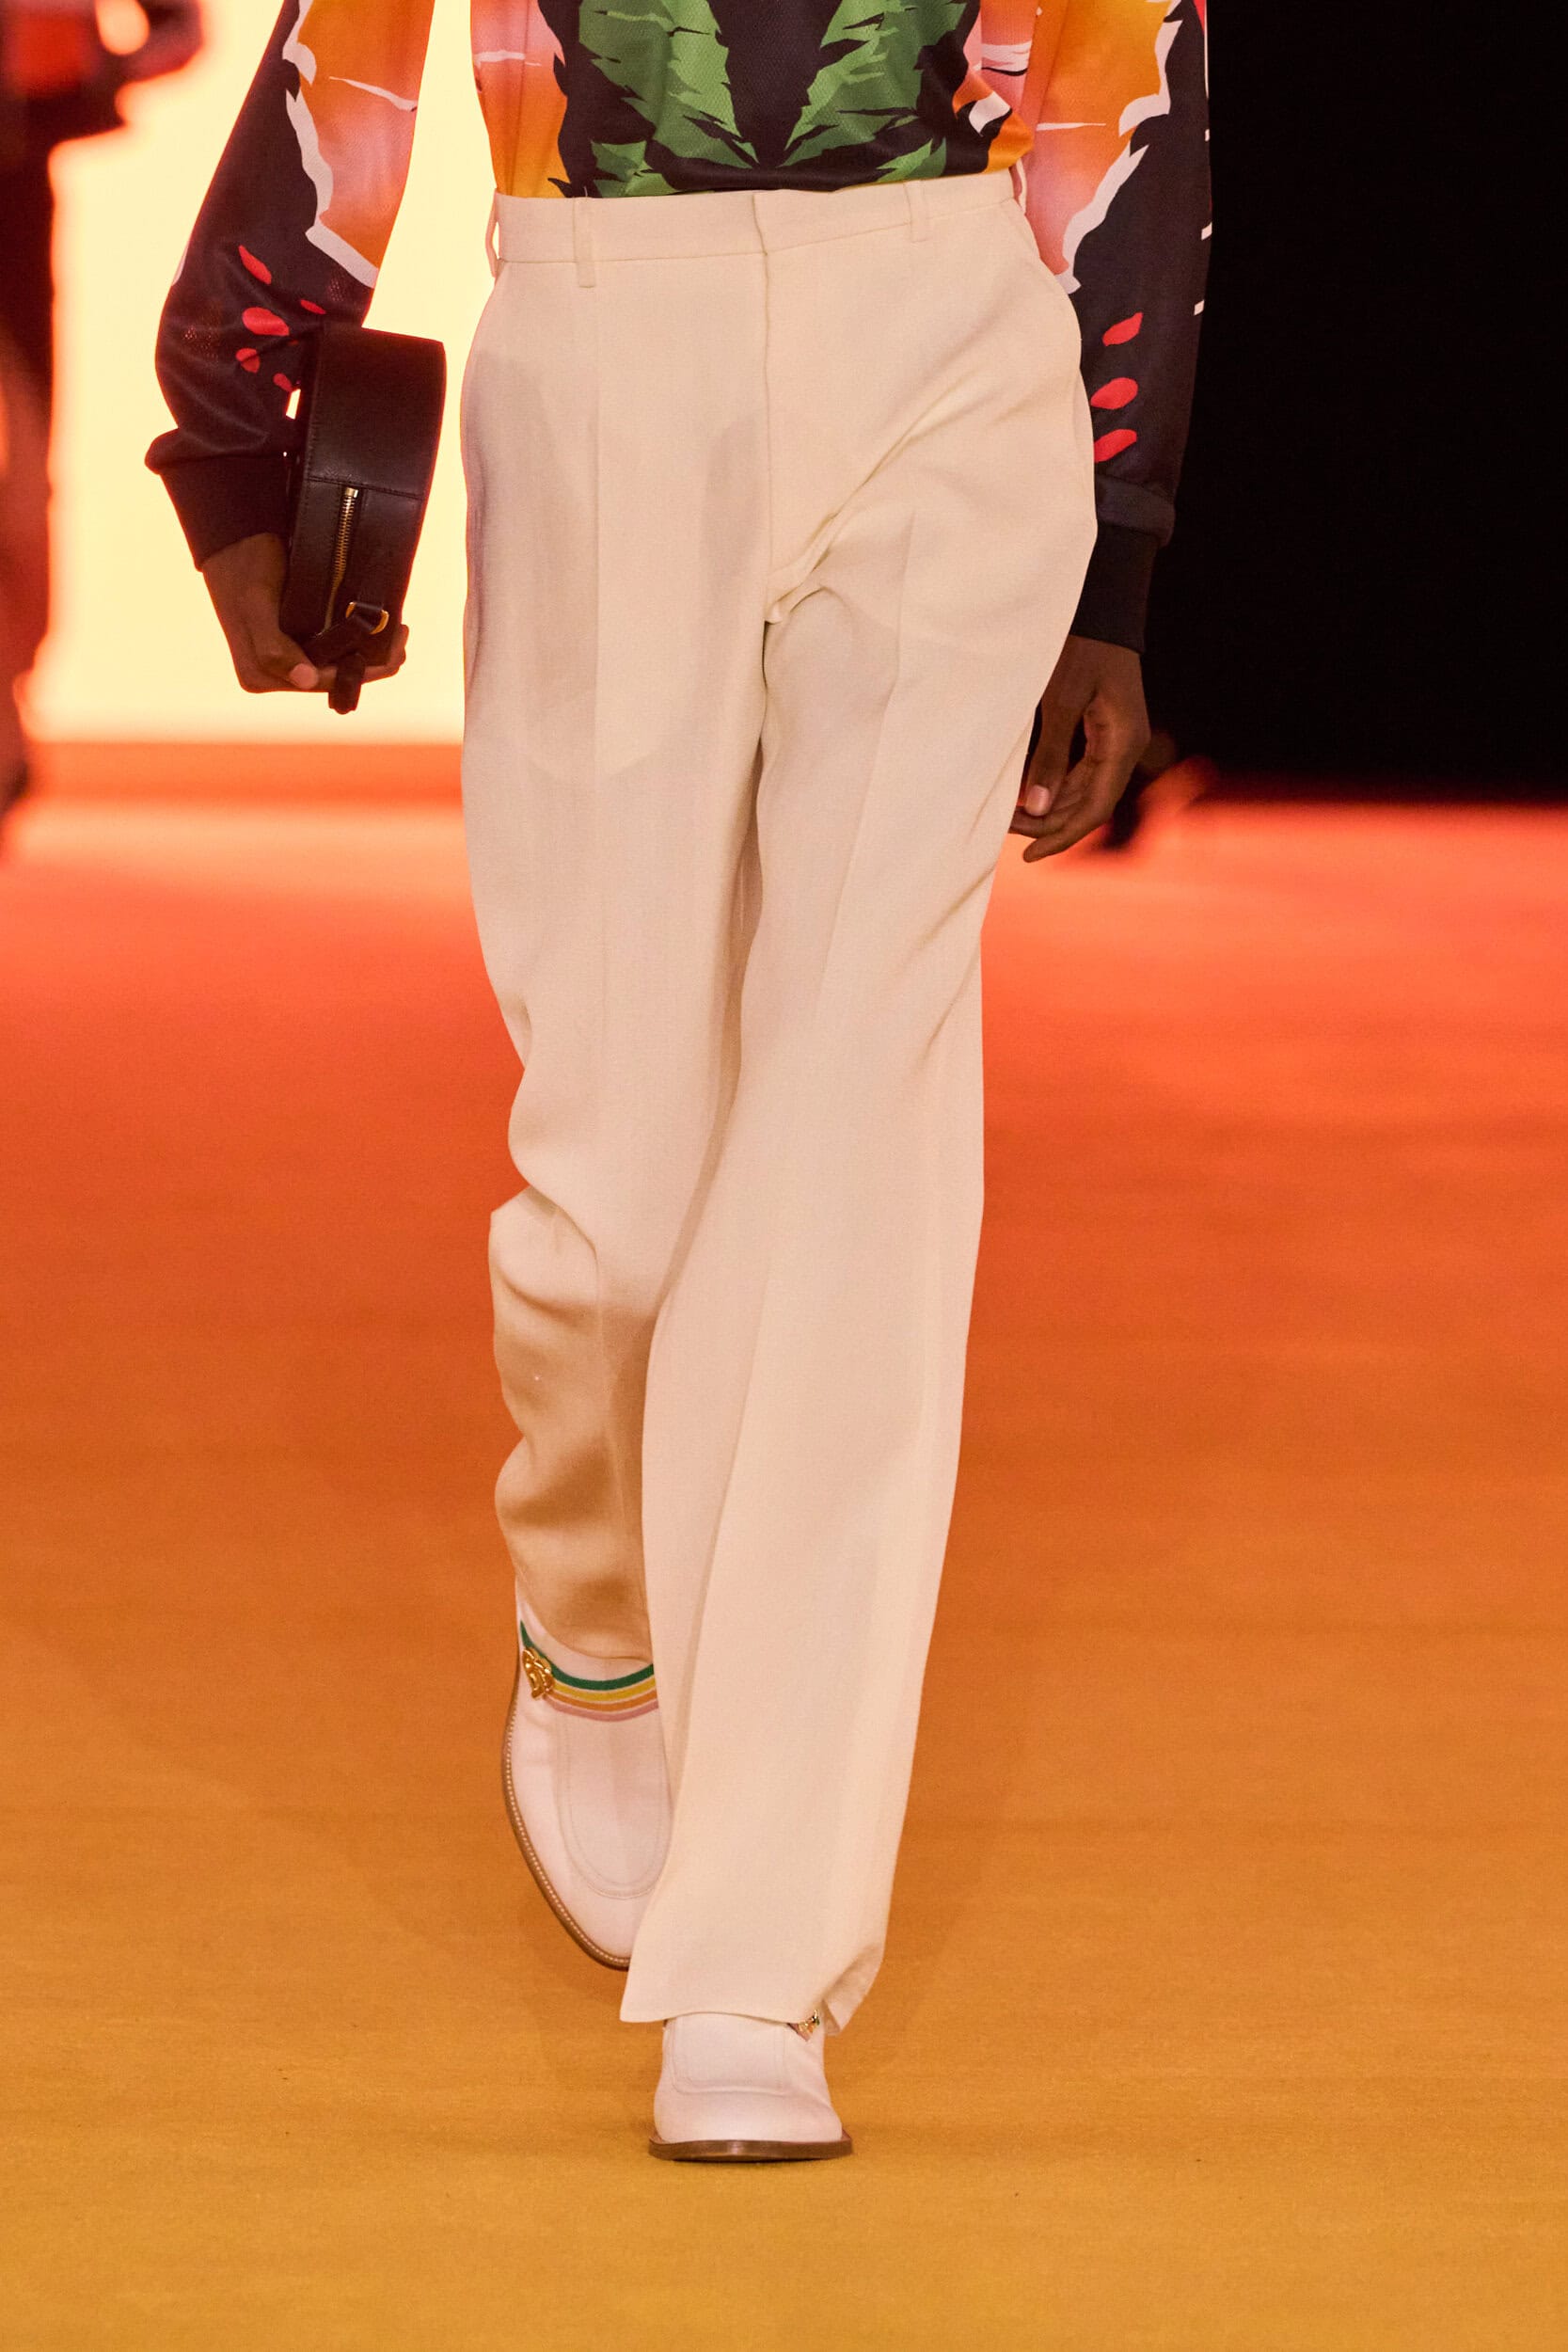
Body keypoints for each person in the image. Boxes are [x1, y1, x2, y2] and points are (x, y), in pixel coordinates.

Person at [147, 0, 1209, 2163]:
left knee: (851, 1146)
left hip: (953, 321)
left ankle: (753, 1963)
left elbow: (1133, 46)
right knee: (613, 1191)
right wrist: (232, 424)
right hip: (601, 325)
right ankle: (590, 1602)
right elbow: (356, 37)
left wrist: (1116, 543)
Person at [0, 0, 203, 818]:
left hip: (18, 193)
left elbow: (180, 30)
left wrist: (92, 68)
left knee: (26, 476)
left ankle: (9, 693)